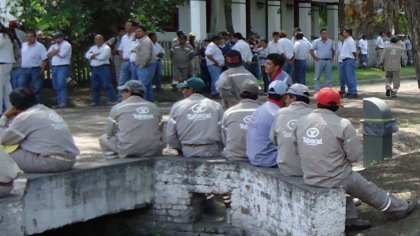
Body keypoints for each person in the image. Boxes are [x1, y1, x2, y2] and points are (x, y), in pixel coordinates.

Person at [294, 87, 417, 230]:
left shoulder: (301, 121)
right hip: (336, 177)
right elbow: (354, 156)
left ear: (317, 103)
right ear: (337, 107)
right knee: (368, 189)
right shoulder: (343, 125)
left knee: (346, 181)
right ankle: (399, 208)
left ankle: (350, 217)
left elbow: (296, 148)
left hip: (309, 175)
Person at [0, 88, 79, 173]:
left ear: (15, 108)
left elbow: (3, 139)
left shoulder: (24, 117)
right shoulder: (47, 110)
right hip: (69, 160)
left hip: (51, 162)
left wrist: (4, 118)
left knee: (2, 154)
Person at [99, 80, 164, 159]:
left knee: (104, 138)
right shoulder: (155, 107)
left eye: (123, 91)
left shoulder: (118, 108)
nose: (122, 94)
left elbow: (109, 132)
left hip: (128, 150)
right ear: (143, 93)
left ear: (128, 92)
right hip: (154, 150)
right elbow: (160, 130)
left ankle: (113, 160)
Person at [166, 77, 223, 157]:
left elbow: (171, 134)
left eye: (184, 89)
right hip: (211, 150)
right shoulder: (215, 106)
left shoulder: (178, 106)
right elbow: (222, 131)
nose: (183, 92)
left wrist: (178, 149)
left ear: (190, 89)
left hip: (187, 150)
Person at [269, 83, 312, 176]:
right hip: (308, 170)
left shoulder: (280, 113)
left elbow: (273, 139)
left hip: (285, 168)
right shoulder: (314, 115)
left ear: (294, 98)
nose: (286, 101)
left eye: (287, 97)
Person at [246, 80, 288, 168]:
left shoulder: (260, 109)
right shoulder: (277, 114)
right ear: (284, 97)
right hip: (268, 159)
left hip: (254, 157)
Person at [222, 79, 260, 161]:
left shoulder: (229, 112)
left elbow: (224, 137)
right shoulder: (264, 112)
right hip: (257, 158)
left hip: (233, 156)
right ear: (257, 96)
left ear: (240, 95)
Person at [85, 34, 115, 106]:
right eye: (96, 39)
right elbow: (86, 55)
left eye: (99, 39)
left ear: (103, 39)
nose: (98, 41)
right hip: (94, 68)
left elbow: (103, 57)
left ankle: (111, 100)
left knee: (107, 84)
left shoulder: (106, 48)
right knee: (95, 85)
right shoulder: (93, 48)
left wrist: (92, 56)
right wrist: (94, 55)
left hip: (103, 67)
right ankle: (95, 101)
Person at [19, 31, 48, 102]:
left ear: (35, 37)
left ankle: (38, 104)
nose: (29, 38)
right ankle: (25, 104)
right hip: (24, 69)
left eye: (31, 36)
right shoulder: (23, 45)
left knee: (37, 88)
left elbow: (45, 58)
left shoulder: (40, 46)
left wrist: (43, 68)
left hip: (35, 69)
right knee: (22, 87)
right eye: (28, 37)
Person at [46, 31, 72, 108]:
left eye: (56, 38)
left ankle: (63, 102)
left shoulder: (66, 45)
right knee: (55, 85)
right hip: (54, 66)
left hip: (63, 66)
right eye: (54, 38)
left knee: (61, 84)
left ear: (61, 38)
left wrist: (53, 52)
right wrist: (55, 52)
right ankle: (59, 102)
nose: (55, 39)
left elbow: (62, 55)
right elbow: (47, 55)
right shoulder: (53, 46)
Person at [134, 26, 155, 101]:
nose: (138, 33)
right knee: (147, 86)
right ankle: (149, 101)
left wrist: (142, 65)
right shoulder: (141, 41)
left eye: (140, 31)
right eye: (137, 31)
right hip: (144, 65)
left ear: (144, 32)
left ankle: (141, 102)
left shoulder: (146, 41)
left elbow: (146, 56)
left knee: (142, 85)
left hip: (146, 66)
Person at [117, 20, 137, 98]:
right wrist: (121, 56)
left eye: (129, 25)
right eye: (126, 25)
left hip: (133, 62)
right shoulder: (124, 37)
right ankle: (120, 98)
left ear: (134, 27)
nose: (127, 27)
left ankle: (132, 97)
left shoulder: (136, 36)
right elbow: (120, 48)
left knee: (133, 81)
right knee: (122, 80)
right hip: (125, 61)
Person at [0, 22, 15, 114]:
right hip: (6, 63)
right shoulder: (6, 36)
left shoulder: (2, 36)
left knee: (1, 88)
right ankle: (11, 108)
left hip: (2, 63)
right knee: (7, 87)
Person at [339, 28, 358, 98]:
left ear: (348, 33)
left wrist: (354, 59)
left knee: (350, 76)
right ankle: (350, 90)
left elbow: (354, 51)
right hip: (344, 60)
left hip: (349, 60)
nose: (343, 33)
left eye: (344, 32)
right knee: (346, 77)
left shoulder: (351, 41)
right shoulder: (346, 41)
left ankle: (353, 91)